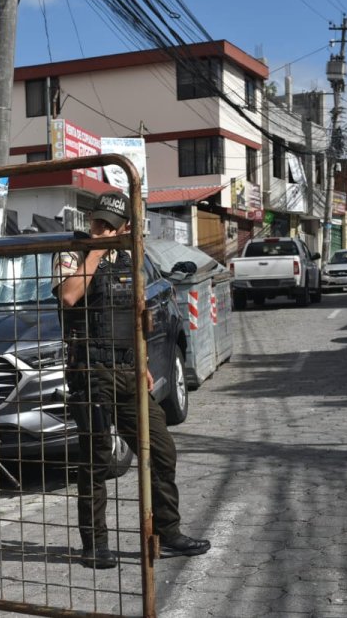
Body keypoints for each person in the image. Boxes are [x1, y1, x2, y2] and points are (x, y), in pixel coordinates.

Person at [53, 191, 211, 569]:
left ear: (125, 227)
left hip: (127, 371)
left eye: (109, 224)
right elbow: (69, 297)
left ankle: (167, 534)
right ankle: (95, 545)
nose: (101, 228)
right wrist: (95, 250)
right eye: (97, 222)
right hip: (90, 371)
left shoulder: (130, 259)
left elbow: (137, 317)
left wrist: (142, 364)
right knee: (97, 460)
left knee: (161, 449)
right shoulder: (72, 254)